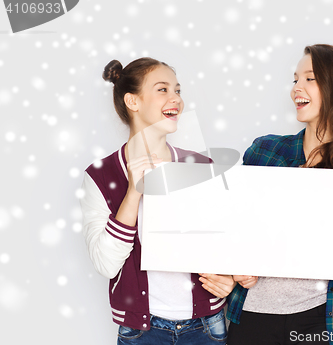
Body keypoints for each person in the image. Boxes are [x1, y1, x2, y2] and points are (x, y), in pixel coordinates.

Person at [226, 44, 333, 345]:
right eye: (295, 79)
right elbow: (234, 230)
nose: (296, 89)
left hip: (322, 318)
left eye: (309, 79)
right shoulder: (265, 150)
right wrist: (236, 268)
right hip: (252, 315)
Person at [79, 57, 236, 344]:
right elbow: (106, 264)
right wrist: (133, 192)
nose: (176, 99)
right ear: (133, 101)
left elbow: (227, 243)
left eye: (177, 90)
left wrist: (231, 279)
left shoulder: (202, 166)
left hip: (207, 326)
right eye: (163, 89)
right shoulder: (101, 176)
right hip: (142, 331)